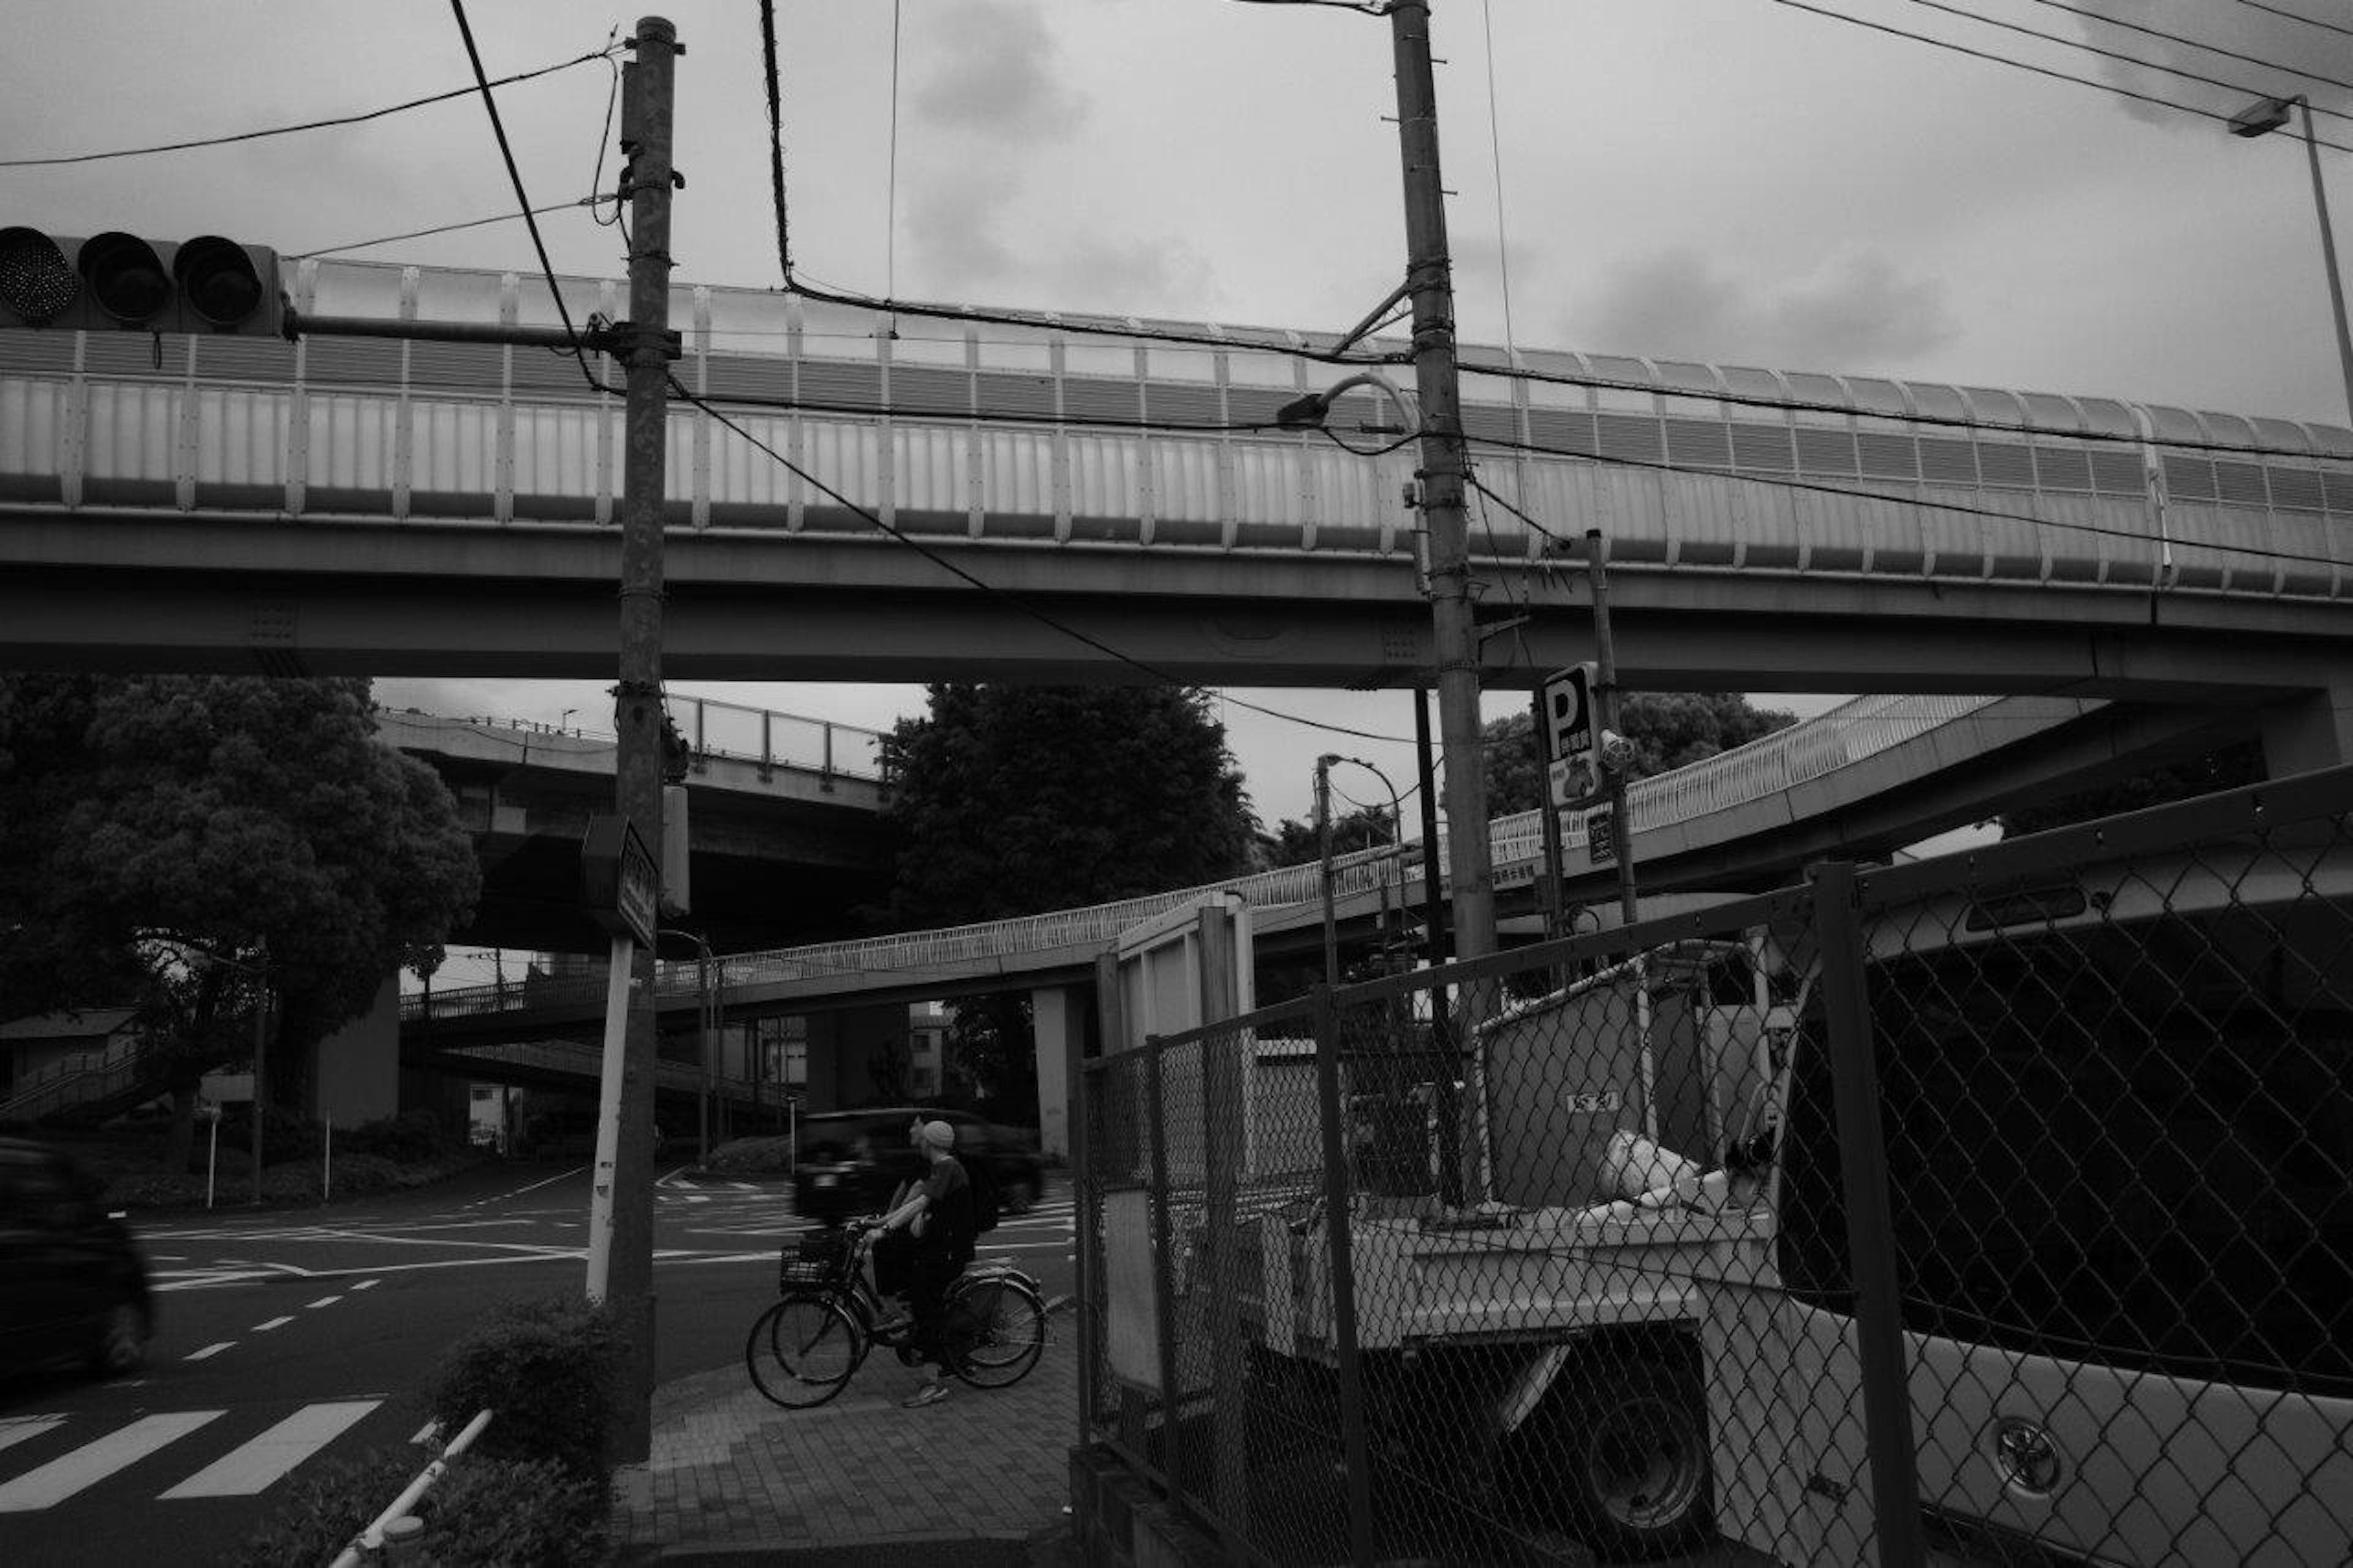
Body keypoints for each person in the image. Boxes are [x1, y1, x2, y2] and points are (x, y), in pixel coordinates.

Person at [869, 1118, 976, 1407]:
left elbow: (918, 1203)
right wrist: (883, 1223)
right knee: (918, 1296)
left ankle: (934, 1383)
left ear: (930, 1142)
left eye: (923, 1138)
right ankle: (921, 1347)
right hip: (942, 1249)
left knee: (926, 1308)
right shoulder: (942, 1167)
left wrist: (885, 1229)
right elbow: (913, 1203)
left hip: (950, 1253)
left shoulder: (947, 1167)